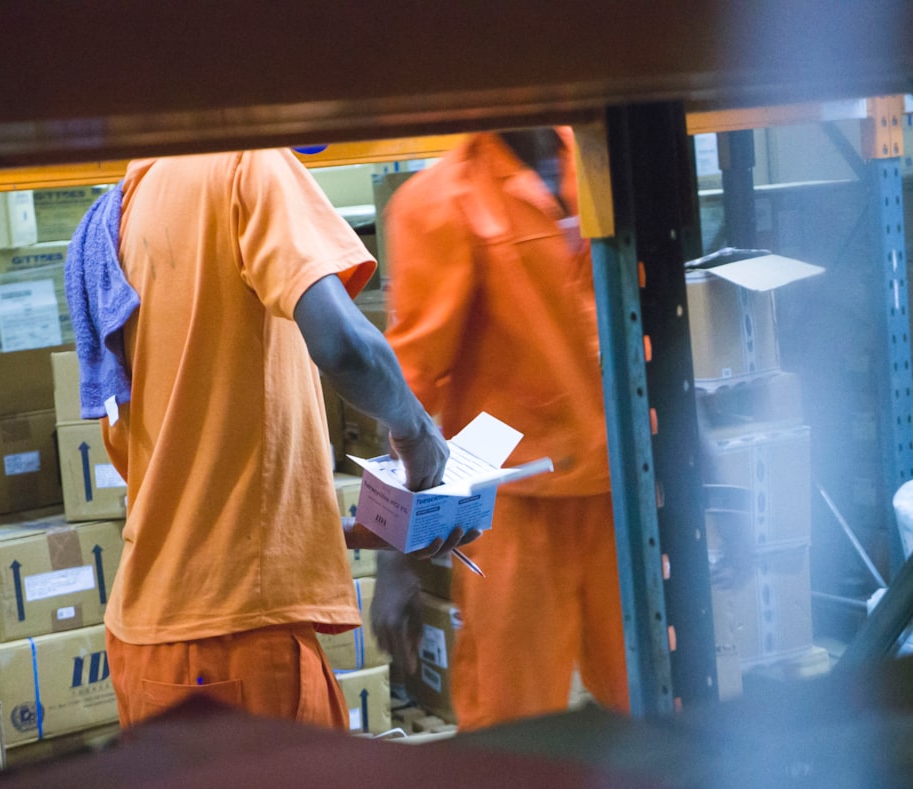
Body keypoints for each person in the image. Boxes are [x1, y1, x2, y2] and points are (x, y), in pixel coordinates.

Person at [65, 148, 477, 730]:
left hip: (157, 641)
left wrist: (348, 534)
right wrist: (415, 430)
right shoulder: (246, 164)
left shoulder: (129, 206)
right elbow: (343, 346)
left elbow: (187, 475)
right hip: (233, 646)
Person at [372, 127, 629, 730]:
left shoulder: (610, 167)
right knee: (515, 741)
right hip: (513, 515)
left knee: (665, 715)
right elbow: (408, 392)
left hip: (624, 500)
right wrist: (393, 557)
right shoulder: (439, 203)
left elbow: (652, 328)